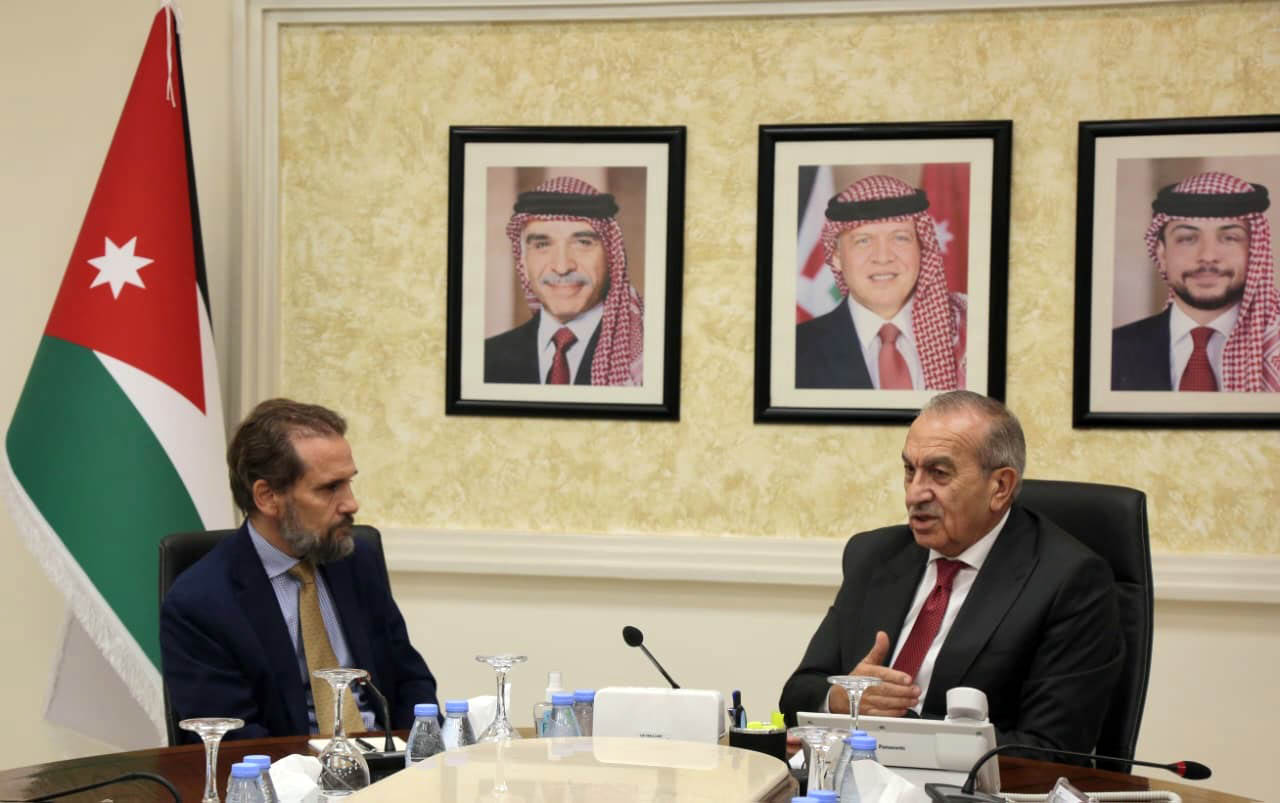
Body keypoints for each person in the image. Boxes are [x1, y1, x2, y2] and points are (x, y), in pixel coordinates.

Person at [779, 391, 1123, 756]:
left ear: (1000, 487)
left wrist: (900, 733)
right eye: (910, 471)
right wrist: (843, 698)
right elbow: (798, 693)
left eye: (939, 474)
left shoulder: (1069, 581)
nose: (914, 494)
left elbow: (1051, 751)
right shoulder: (875, 556)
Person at [161, 399, 438, 741]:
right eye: (330, 488)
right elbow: (233, 739)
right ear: (267, 497)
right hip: (288, 767)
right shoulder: (200, 602)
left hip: (388, 759)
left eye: (349, 483)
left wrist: (419, 750)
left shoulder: (356, 559)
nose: (351, 503)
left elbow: (410, 679)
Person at [1112, 171, 1280, 391]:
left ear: (1255, 251)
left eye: (1229, 238)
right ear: (1162, 254)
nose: (1208, 256)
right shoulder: (1111, 351)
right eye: (1187, 239)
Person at [796, 174, 966, 390]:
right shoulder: (795, 351)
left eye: (900, 238)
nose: (883, 257)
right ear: (837, 257)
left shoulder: (968, 333)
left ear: (922, 248)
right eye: (863, 241)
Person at [484, 175, 644, 386]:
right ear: (523, 261)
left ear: (612, 257)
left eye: (583, 243)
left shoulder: (646, 357)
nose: (561, 267)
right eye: (542, 245)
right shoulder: (486, 359)